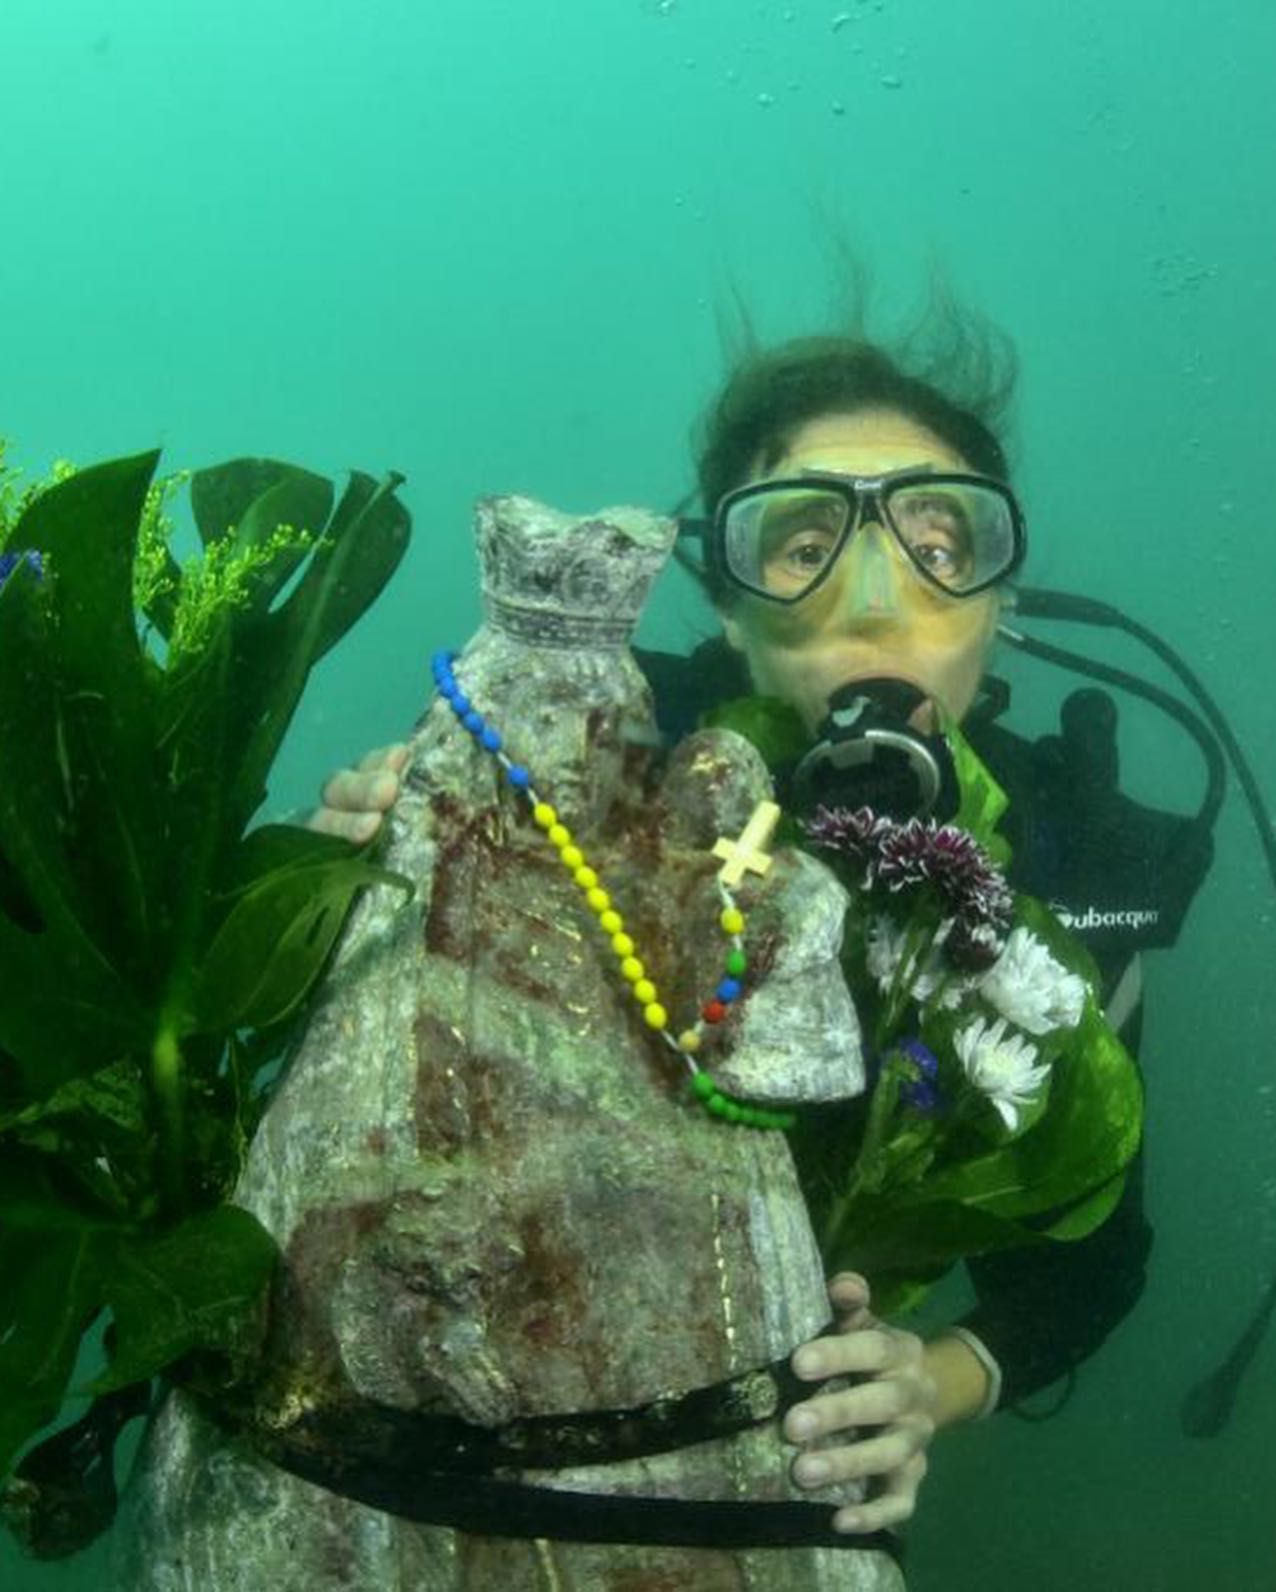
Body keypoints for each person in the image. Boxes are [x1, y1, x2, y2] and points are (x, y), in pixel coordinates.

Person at [302, 322, 1152, 1539]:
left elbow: (1091, 1264)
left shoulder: (1069, 862)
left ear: (997, 600)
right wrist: (346, 894)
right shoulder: (574, 757)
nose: (874, 603)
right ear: (728, 606)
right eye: (802, 544)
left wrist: (925, 1382)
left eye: (937, 541)